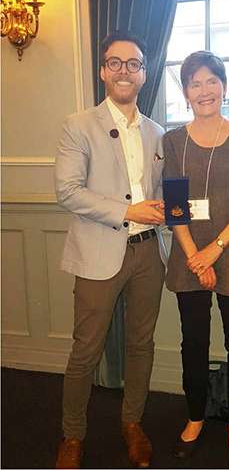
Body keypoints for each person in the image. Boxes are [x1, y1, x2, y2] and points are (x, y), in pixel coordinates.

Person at [55, 30, 167, 469]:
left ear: (144, 72)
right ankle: (72, 436)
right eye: (115, 62)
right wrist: (128, 210)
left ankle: (132, 424)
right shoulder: (77, 125)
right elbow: (67, 191)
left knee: (142, 344)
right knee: (86, 350)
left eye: (133, 63)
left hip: (148, 256)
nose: (124, 70)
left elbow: (162, 196)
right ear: (103, 71)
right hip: (98, 251)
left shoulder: (158, 132)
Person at [163, 51, 229, 469]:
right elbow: (175, 207)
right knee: (194, 343)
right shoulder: (172, 141)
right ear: (185, 92)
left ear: (223, 86)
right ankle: (194, 416)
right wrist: (195, 257)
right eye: (194, 83)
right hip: (189, 258)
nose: (204, 90)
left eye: (211, 81)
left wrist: (214, 251)